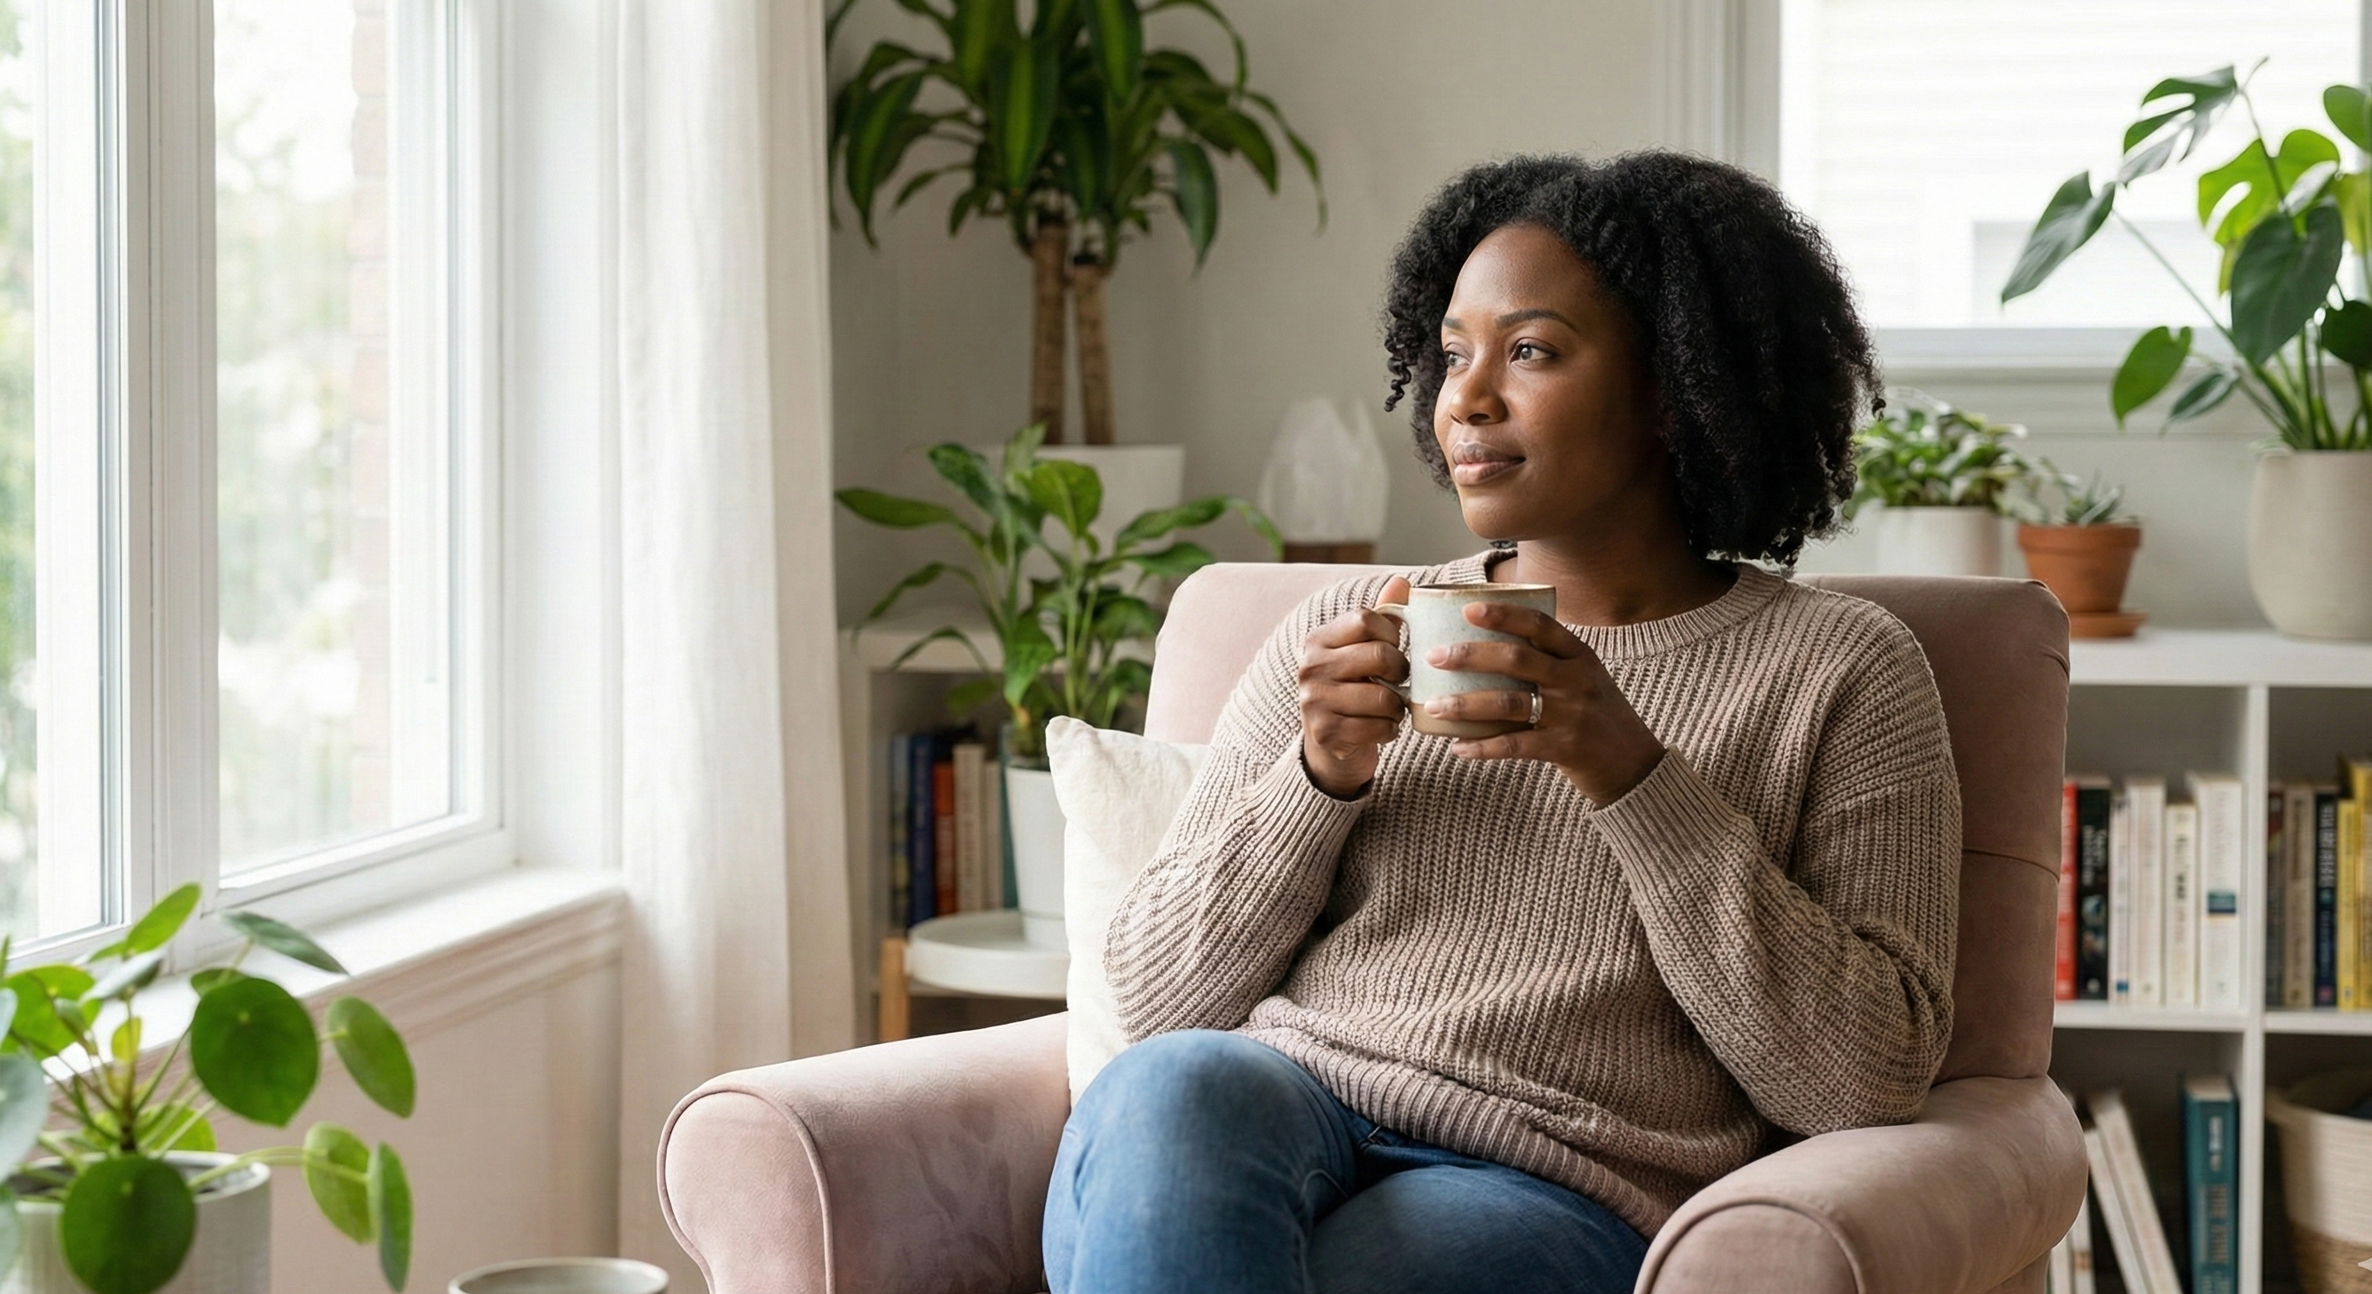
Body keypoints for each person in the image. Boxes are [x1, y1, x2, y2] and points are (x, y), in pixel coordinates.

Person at [1042, 152, 1962, 1294]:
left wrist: (1628, 770)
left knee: (1346, 1271)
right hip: (1278, 1110)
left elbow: (1866, 1076)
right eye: (1450, 354)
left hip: (1554, 1180)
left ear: (1675, 389)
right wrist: (1315, 774)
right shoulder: (1345, 628)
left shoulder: (1839, 670)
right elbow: (1155, 1004)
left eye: (1528, 351)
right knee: (1175, 1093)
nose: (1464, 398)